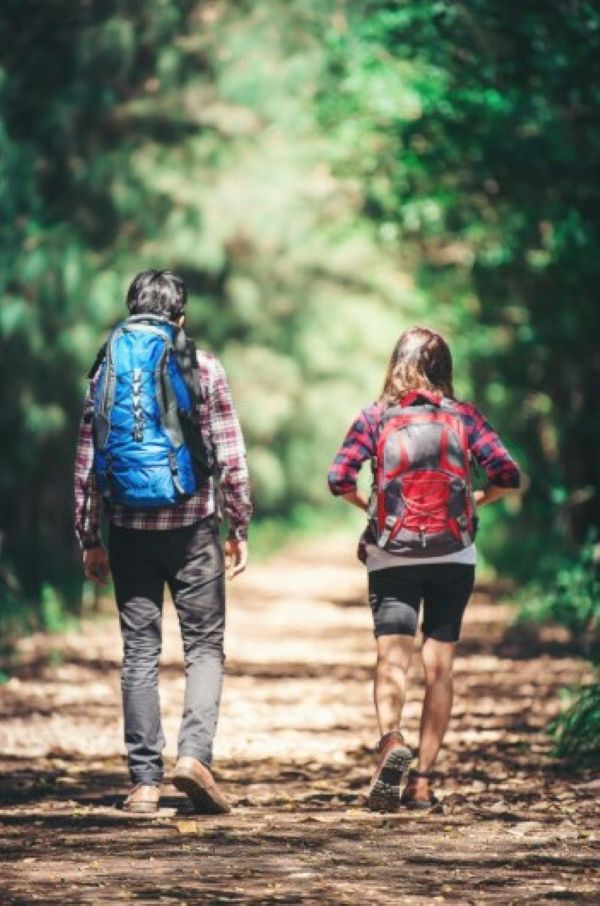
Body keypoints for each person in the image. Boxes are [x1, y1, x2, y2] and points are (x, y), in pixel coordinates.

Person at [74, 269, 251, 814]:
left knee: (139, 653)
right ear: (181, 316)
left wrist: (89, 535)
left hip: (128, 530)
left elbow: (88, 459)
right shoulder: (202, 365)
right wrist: (238, 524)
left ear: (132, 309)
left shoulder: (105, 366)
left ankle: (145, 783)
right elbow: (230, 454)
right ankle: (194, 757)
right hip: (193, 526)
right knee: (204, 648)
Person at [328, 326, 521, 811]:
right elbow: (507, 474)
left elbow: (339, 478)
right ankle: (422, 781)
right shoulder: (464, 416)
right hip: (453, 554)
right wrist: (475, 501)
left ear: (396, 364)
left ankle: (390, 742)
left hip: (391, 555)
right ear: (444, 369)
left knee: (392, 661)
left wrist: (372, 509)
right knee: (440, 669)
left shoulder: (375, 417)